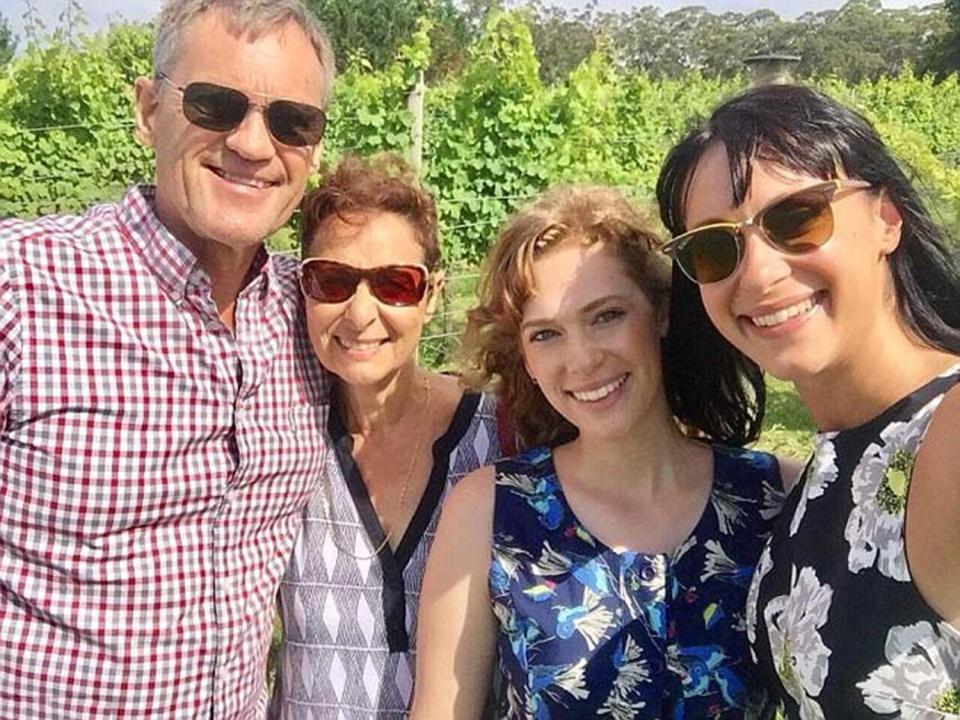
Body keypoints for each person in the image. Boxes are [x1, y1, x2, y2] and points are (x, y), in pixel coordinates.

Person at [0, 0, 335, 716]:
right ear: (150, 110)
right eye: (216, 105)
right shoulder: (21, 289)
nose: (253, 144)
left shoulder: (310, 313)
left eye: (291, 122)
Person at [411, 185, 796, 719]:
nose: (583, 358)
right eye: (546, 334)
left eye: (606, 315)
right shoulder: (489, 511)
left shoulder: (778, 498)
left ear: (659, 312)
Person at [656, 84, 960, 719]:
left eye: (797, 218)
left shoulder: (948, 433)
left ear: (887, 217)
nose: (760, 273)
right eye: (715, 248)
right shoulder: (829, 461)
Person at [268, 154, 505, 719]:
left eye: (396, 284)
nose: (360, 313)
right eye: (332, 280)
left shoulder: (502, 438)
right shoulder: (281, 436)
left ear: (433, 295)